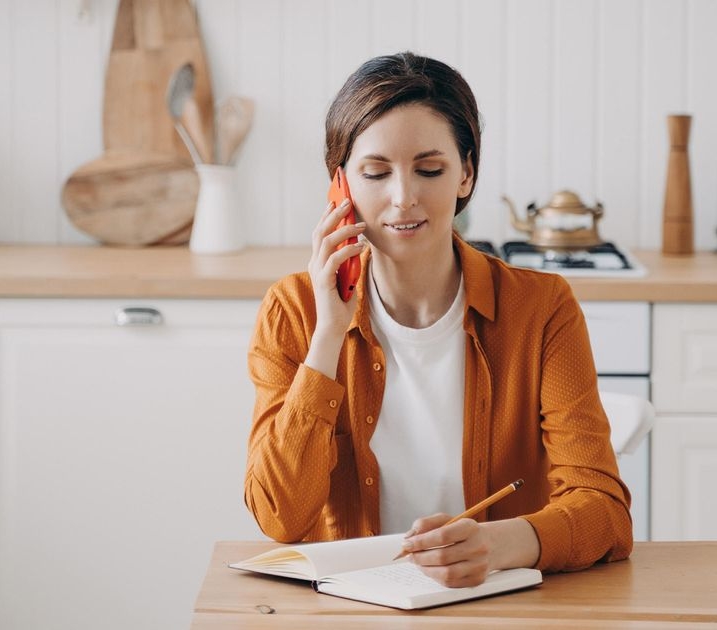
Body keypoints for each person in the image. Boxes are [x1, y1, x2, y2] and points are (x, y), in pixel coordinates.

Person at [244, 52, 632, 588]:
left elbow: (605, 512)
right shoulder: (294, 310)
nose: (403, 198)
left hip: (501, 608)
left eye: (430, 170)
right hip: (354, 612)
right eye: (375, 172)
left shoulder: (542, 308)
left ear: (466, 174)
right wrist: (329, 334)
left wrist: (499, 546)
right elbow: (279, 516)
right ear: (341, 186)